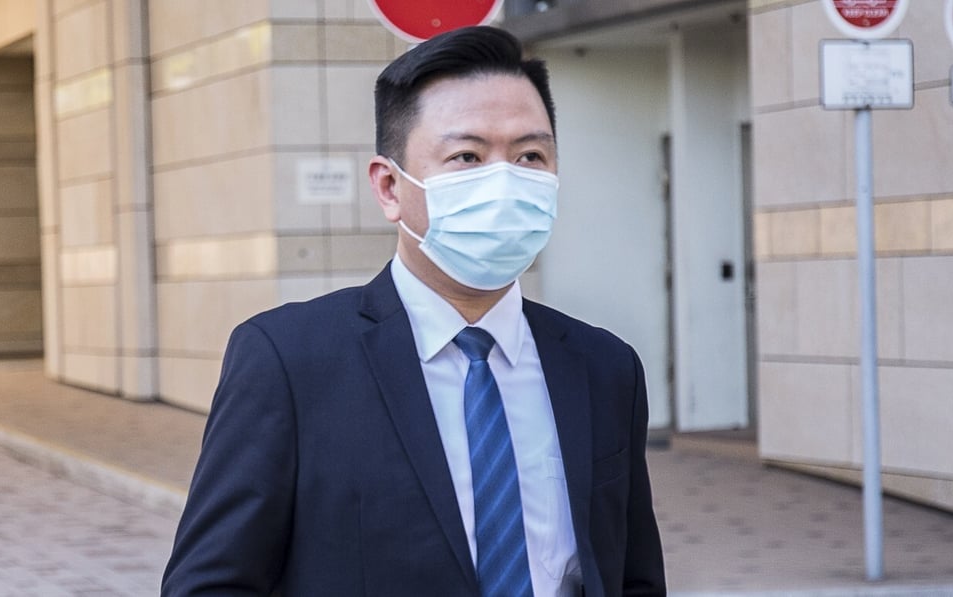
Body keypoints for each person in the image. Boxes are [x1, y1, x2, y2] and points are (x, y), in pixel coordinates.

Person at [162, 25, 665, 597]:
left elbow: (632, 575)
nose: (504, 181)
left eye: (530, 155)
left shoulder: (605, 367)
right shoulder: (289, 361)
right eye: (466, 156)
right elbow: (210, 584)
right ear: (389, 187)